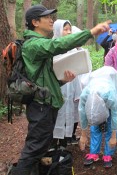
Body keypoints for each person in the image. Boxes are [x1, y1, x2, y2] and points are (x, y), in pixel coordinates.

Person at [11, 4, 110, 175]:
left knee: (41, 148)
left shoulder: (38, 45)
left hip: (46, 104)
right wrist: (91, 32)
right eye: (47, 17)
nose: (52, 20)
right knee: (34, 149)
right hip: (40, 106)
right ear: (35, 22)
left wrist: (63, 81)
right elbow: (59, 44)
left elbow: (44, 79)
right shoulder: (33, 45)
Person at [78, 66, 117, 168]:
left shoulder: (111, 97)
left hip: (111, 82)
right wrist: (83, 135)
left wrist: (113, 137)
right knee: (95, 127)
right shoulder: (85, 96)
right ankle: (94, 152)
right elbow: (82, 113)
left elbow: (115, 115)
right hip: (97, 83)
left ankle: (108, 154)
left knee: (109, 123)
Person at [51, 20, 82, 148]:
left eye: (70, 29)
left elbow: (78, 71)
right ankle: (52, 147)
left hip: (70, 88)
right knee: (55, 117)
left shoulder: (72, 48)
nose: (69, 32)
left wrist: (78, 92)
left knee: (67, 116)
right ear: (58, 30)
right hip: (56, 88)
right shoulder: (51, 46)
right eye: (65, 29)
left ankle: (63, 146)